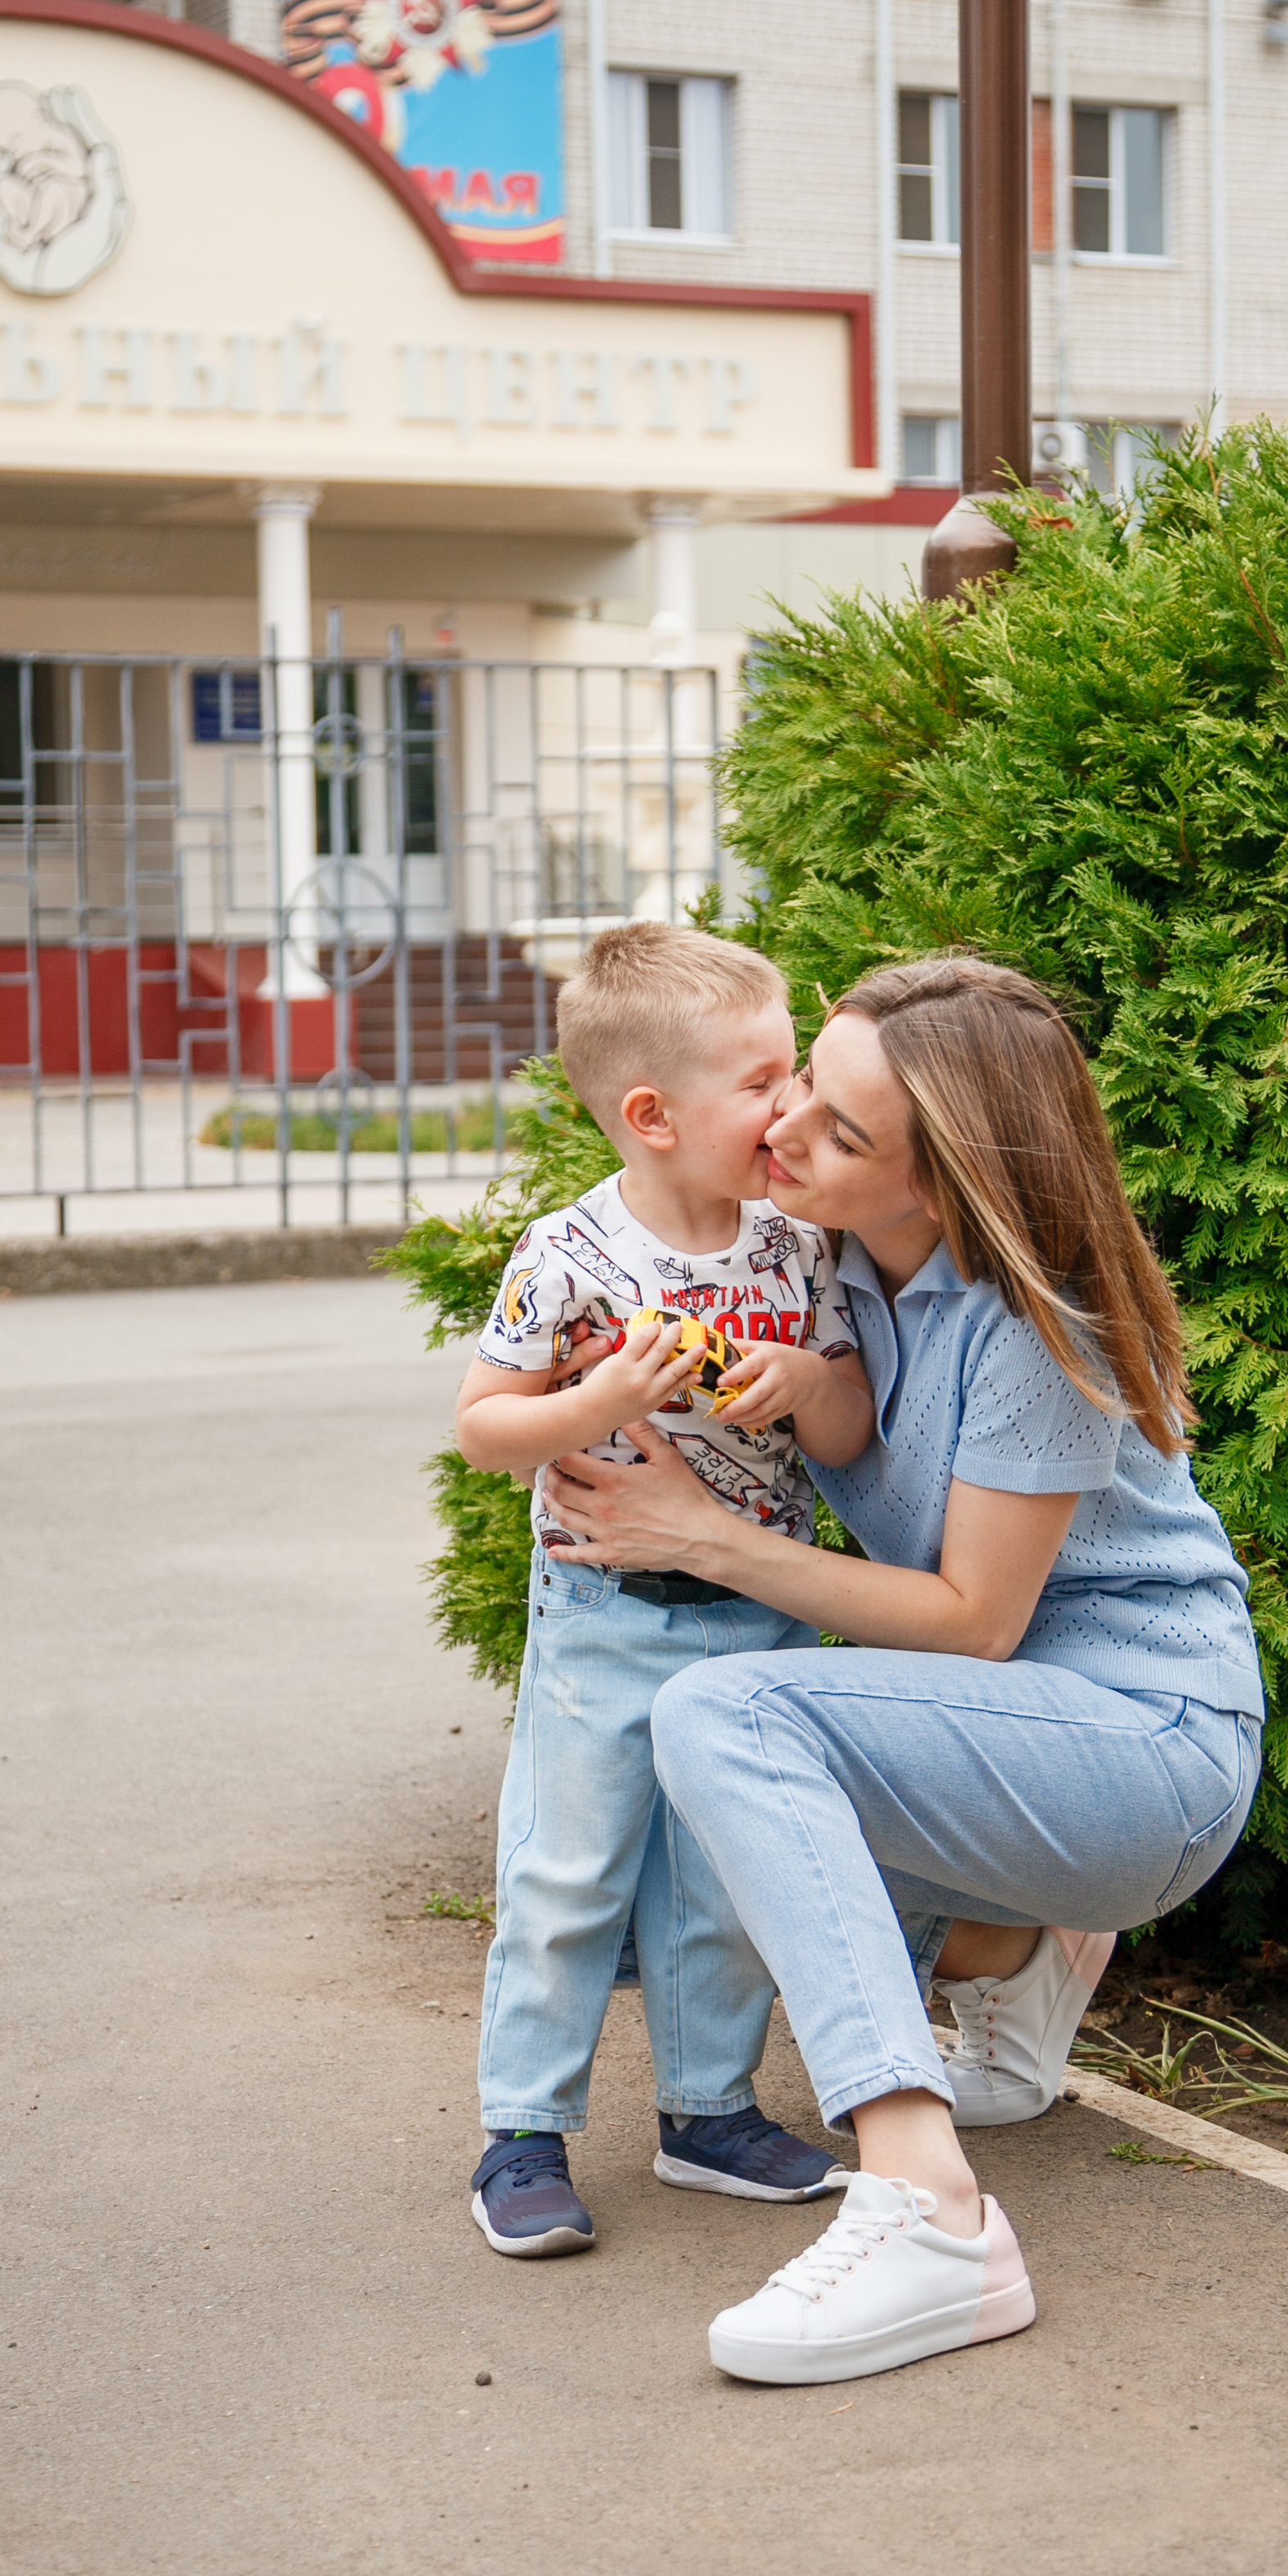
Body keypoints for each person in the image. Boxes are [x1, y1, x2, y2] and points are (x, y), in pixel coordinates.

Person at [544, 955, 1265, 2385]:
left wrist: (705, 1540)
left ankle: (932, 2212)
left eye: (842, 1132)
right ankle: (1012, 1947)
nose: (787, 1127)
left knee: (723, 1718)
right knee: (652, 1905)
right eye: (804, 1078)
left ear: (942, 1191)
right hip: (1005, 1735)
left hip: (1144, 1747)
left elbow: (975, 1624)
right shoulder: (827, 1270)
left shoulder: (1035, 1331)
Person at [453, 922, 876, 2258]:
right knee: (567, 1873)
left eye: (793, 1068)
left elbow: (853, 1422)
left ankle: (709, 2115)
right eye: (761, 1082)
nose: (791, 1103)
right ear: (651, 1115)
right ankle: (522, 2131)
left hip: (753, 1620)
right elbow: (483, 1424)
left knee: (719, 1882)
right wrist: (598, 1397)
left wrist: (805, 1387)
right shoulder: (566, 1255)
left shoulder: (797, 1247)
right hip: (605, 1609)